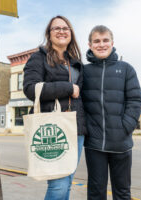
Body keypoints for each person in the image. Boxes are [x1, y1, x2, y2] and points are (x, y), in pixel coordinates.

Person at [23, 15, 86, 200]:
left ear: (71, 33)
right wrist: (68, 88)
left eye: (65, 28)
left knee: (66, 183)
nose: (61, 31)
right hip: (52, 128)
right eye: (56, 28)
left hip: (76, 128)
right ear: (49, 34)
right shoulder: (38, 58)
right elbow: (30, 89)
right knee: (59, 185)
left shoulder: (75, 61)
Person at [82, 25, 141, 200]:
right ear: (90, 44)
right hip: (94, 144)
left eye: (105, 40)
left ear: (112, 42)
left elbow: (135, 100)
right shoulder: (84, 71)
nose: (101, 44)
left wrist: (126, 127)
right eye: (97, 41)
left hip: (121, 143)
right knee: (95, 192)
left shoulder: (126, 69)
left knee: (122, 192)